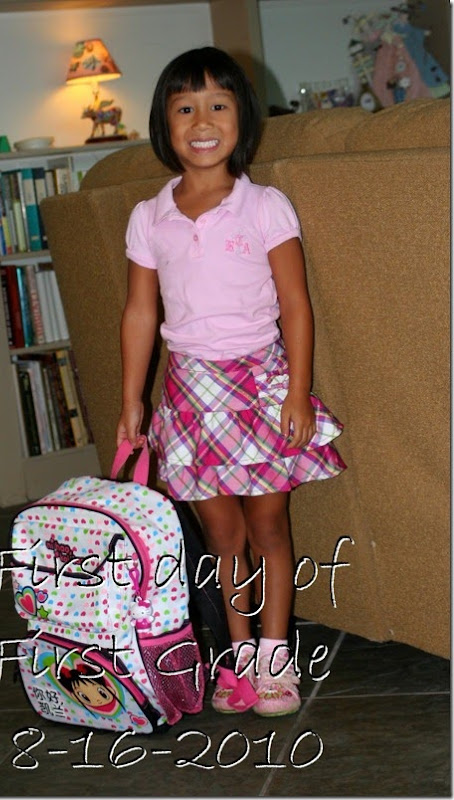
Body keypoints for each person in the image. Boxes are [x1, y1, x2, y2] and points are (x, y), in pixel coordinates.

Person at [116, 46, 346, 717]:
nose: (202, 121)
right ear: (164, 124)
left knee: (268, 522)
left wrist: (297, 391)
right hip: (191, 395)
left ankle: (275, 657)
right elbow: (140, 311)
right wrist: (132, 399)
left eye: (218, 105)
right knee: (222, 536)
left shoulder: (264, 206)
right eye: (185, 108)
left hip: (262, 387)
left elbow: (295, 304)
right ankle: (238, 657)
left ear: (241, 116)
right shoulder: (149, 216)